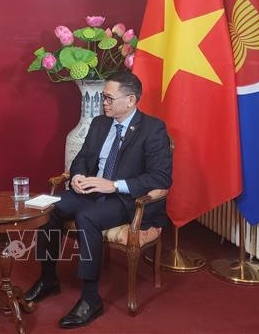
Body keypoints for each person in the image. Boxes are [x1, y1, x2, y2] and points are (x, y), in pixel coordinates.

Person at [24, 71, 172, 328]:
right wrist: (78, 176)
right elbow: (82, 158)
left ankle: (90, 298)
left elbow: (160, 177)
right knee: (48, 207)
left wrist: (113, 185)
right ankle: (48, 279)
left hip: (125, 199)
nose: (104, 102)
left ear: (131, 100)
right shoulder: (100, 124)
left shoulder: (153, 129)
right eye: (104, 97)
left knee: (87, 217)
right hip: (91, 191)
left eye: (109, 98)